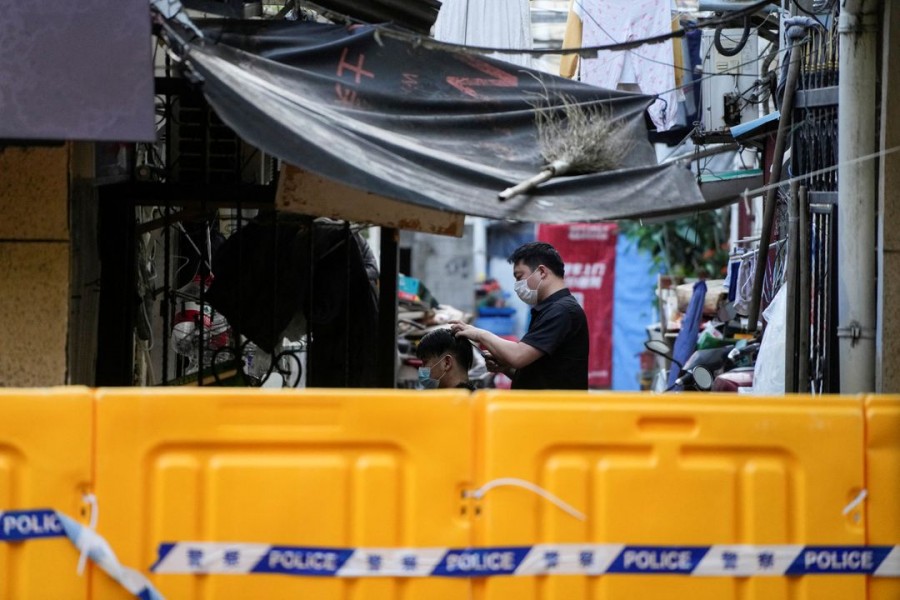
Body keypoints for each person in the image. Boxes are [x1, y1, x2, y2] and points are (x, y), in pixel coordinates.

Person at [451, 242, 589, 390]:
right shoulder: (550, 310)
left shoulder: (562, 310)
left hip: (555, 411)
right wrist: (505, 368)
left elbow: (518, 356)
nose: (517, 285)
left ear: (542, 272)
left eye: (519, 277)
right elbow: (541, 375)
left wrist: (479, 334)